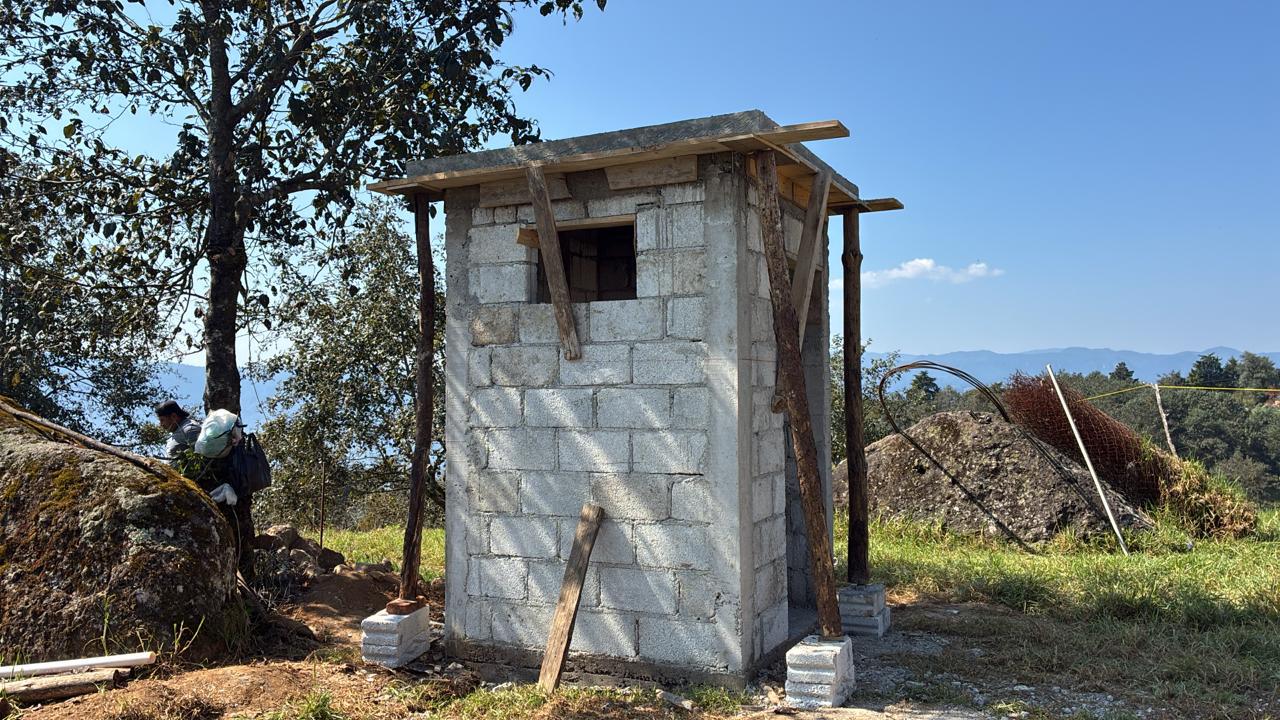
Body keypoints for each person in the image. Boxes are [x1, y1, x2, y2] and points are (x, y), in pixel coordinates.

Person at [153, 399, 257, 581]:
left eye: (162, 420)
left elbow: (202, 461)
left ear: (173, 416)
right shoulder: (178, 430)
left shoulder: (190, 430)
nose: (160, 425)